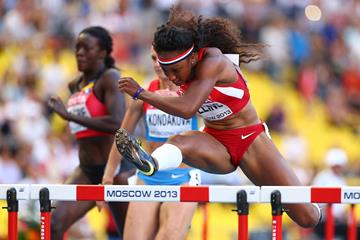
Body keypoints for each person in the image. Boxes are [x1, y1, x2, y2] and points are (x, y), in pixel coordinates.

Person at [116, 7, 321, 228]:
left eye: (175, 70)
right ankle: (152, 163)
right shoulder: (180, 69)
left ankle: (313, 204)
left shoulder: (213, 61)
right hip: (214, 141)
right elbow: (183, 101)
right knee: (178, 141)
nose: (171, 77)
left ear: (193, 58)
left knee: (306, 218)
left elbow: (187, 107)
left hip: (249, 140)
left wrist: (141, 93)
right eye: (166, 70)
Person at [101, 47, 200, 240]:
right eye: (153, 58)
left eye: (162, 58)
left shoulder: (193, 91)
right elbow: (123, 136)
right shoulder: (143, 93)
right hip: (149, 179)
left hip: (183, 178)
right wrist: (107, 175)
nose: (157, 64)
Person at [47, 26, 134, 240]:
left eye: (87, 48)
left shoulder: (110, 77)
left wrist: (70, 117)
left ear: (103, 52)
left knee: (129, 235)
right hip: (86, 170)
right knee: (53, 225)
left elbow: (116, 122)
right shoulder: (74, 85)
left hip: (116, 171)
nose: (79, 53)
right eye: (77, 48)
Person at [312, 147, 349, 239]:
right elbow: (315, 202)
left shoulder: (341, 179)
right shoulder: (322, 178)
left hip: (337, 222)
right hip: (323, 222)